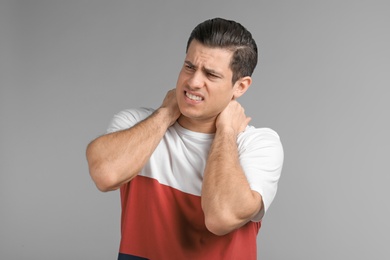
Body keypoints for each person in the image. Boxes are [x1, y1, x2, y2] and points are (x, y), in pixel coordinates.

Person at [86, 17, 284, 260]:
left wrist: (226, 131)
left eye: (211, 75)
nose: (193, 81)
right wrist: (165, 113)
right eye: (189, 67)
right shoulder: (135, 124)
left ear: (240, 87)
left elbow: (221, 218)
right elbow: (105, 175)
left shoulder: (258, 144)